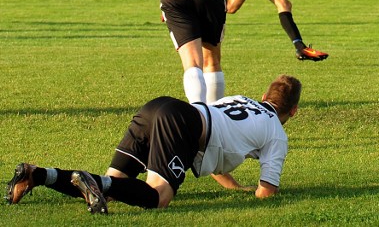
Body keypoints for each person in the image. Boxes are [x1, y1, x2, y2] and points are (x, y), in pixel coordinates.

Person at [5, 75, 302, 214]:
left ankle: (38, 174)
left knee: (113, 188)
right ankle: (95, 184)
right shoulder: (276, 132)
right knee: (158, 197)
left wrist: (234, 187)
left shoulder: (240, 99)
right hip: (180, 124)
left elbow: (218, 144)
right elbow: (267, 192)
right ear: (294, 110)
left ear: (265, 95)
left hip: (159, 107)